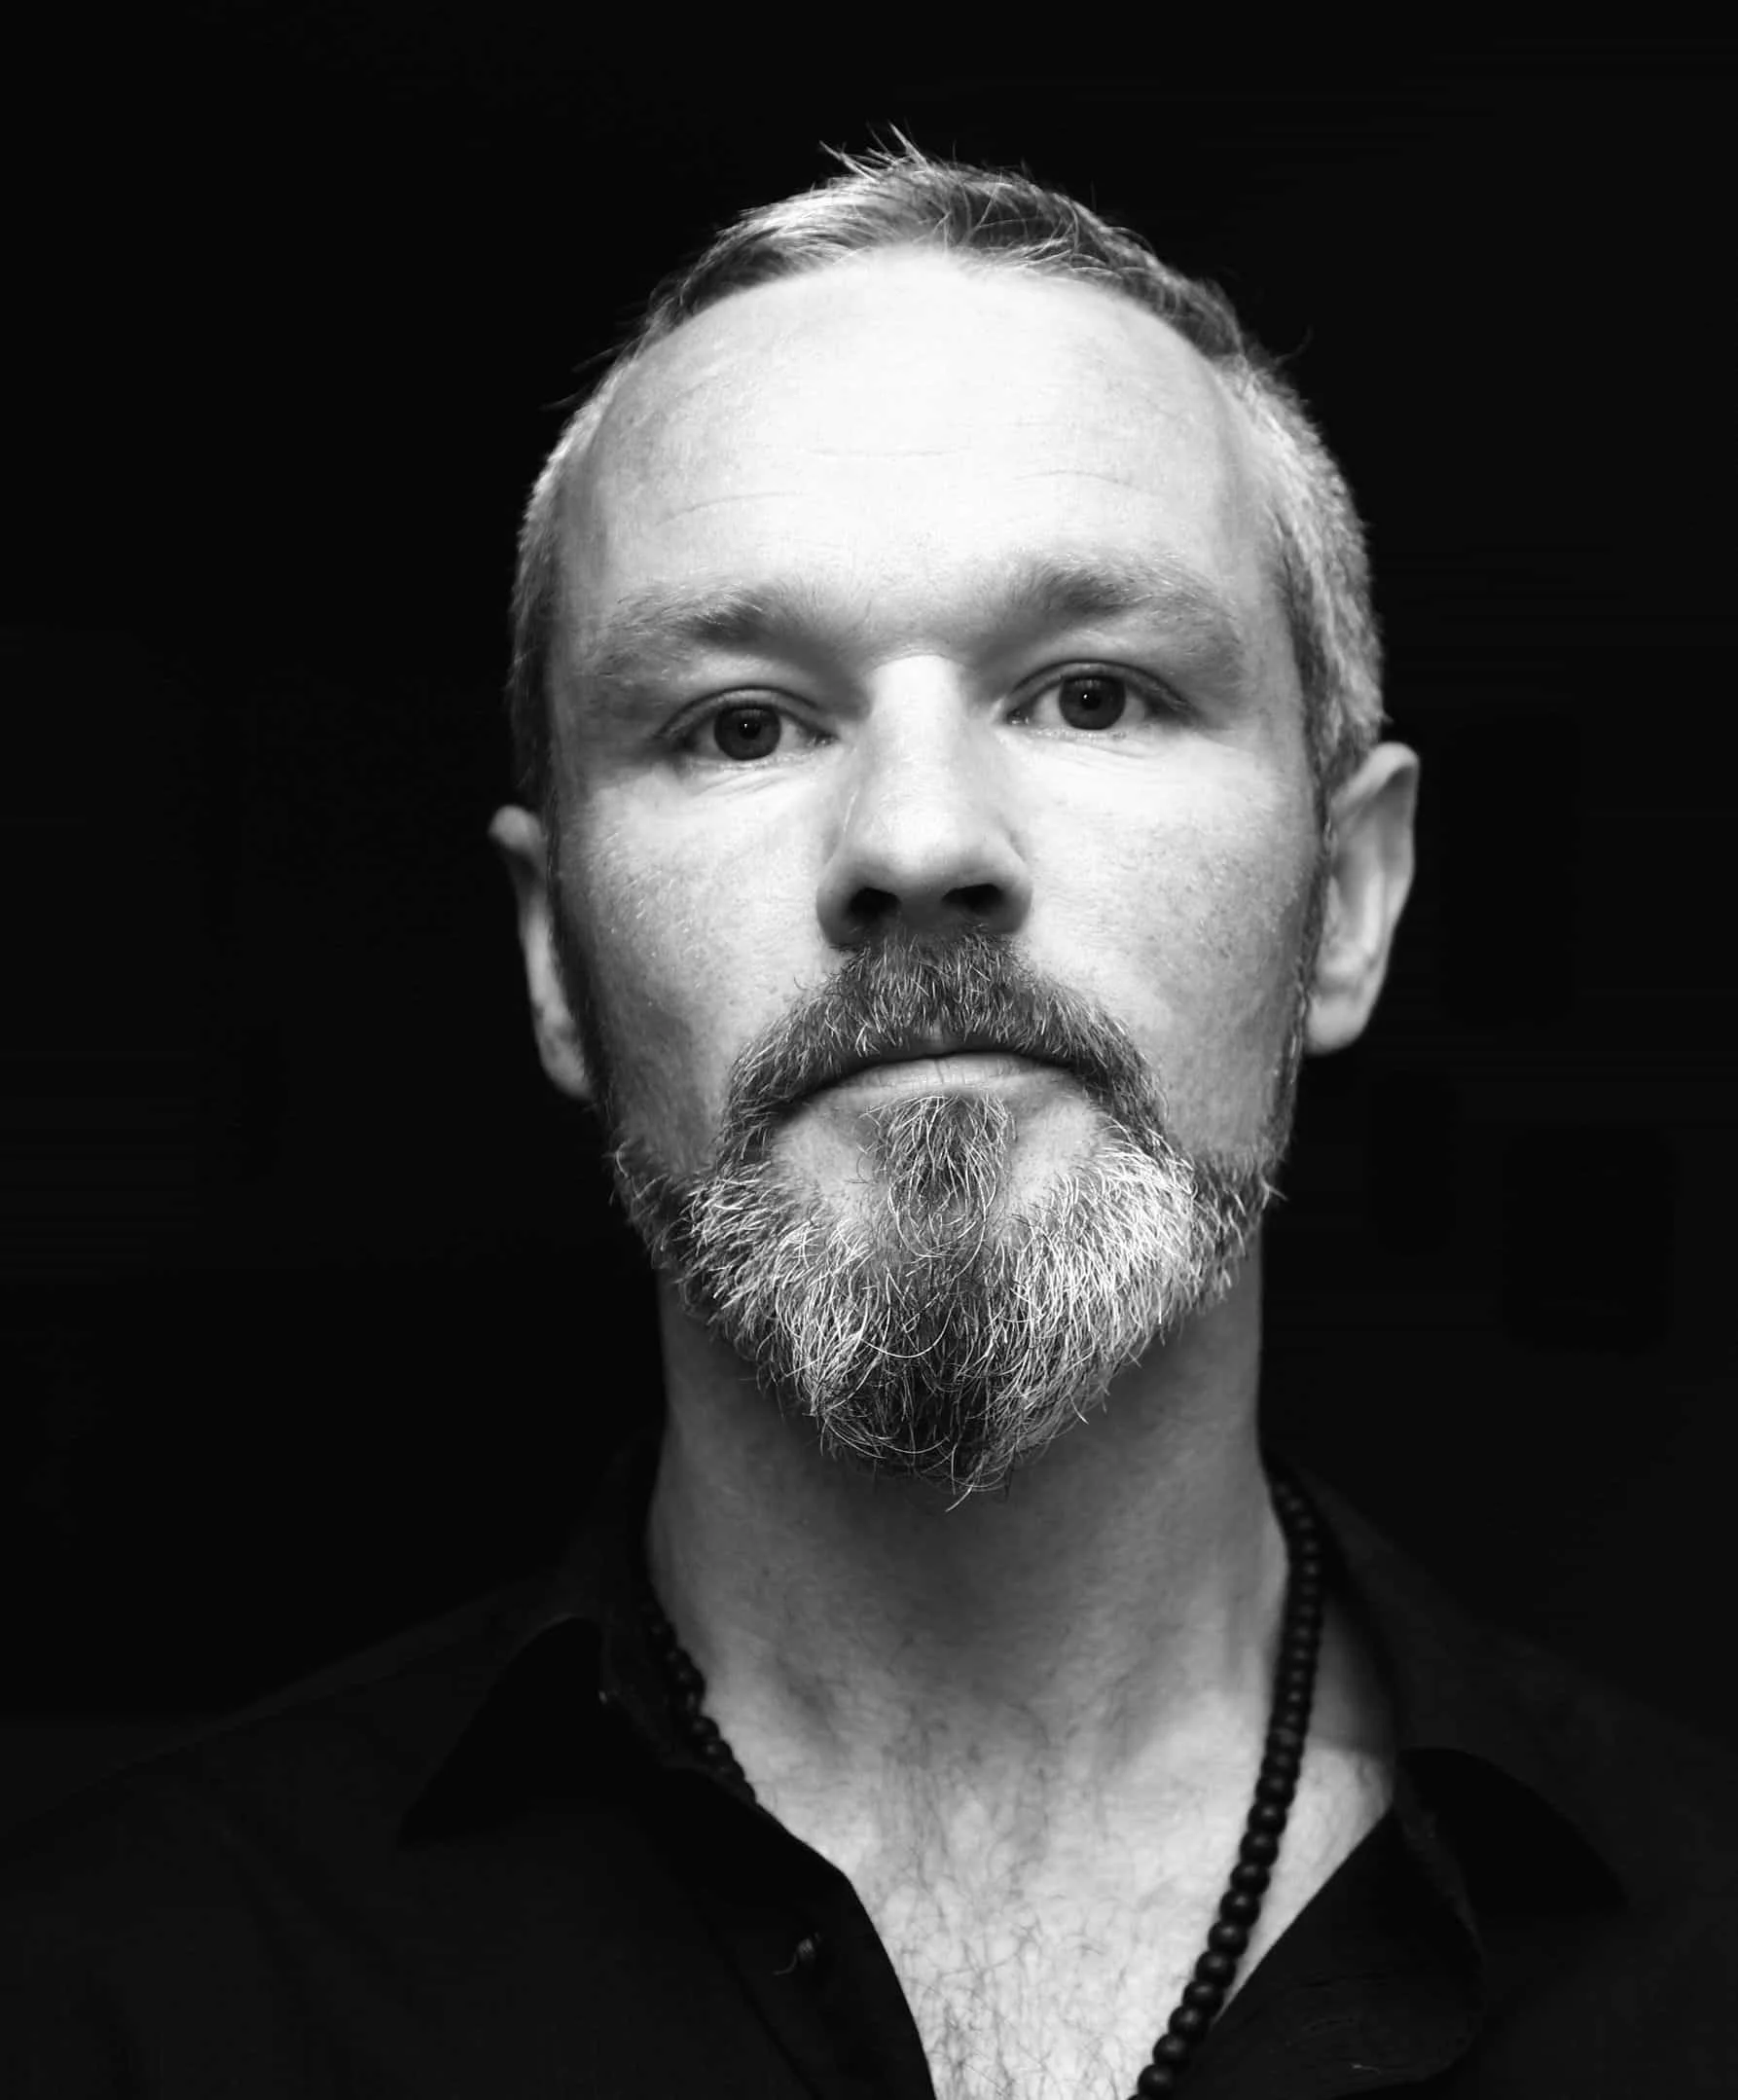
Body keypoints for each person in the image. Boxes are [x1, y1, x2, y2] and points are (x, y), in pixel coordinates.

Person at [2, 134, 1735, 2100]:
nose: (916, 840)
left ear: (1343, 896)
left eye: (1090, 692)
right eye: (739, 721)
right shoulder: (101, 2004)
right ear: (555, 957)